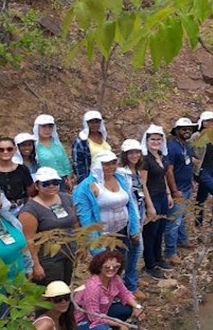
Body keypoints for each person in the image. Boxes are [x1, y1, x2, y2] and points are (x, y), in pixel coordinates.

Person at [73, 151, 141, 292]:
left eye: (113, 163)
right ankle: (105, 294)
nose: (111, 167)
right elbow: (86, 218)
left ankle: (124, 289)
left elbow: (130, 204)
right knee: (106, 266)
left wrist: (134, 227)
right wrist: (96, 245)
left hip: (123, 229)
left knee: (122, 261)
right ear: (98, 165)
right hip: (103, 235)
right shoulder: (86, 187)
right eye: (106, 164)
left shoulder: (121, 179)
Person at [19, 167, 77, 286]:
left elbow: (75, 222)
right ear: (37, 186)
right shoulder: (30, 210)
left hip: (69, 253)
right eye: (46, 184)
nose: (51, 186)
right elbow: (28, 240)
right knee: (53, 289)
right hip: (48, 258)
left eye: (55, 182)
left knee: (66, 287)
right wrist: (35, 265)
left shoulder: (66, 198)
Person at [74, 250, 144, 330]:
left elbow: (125, 294)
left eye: (116, 267)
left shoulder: (115, 279)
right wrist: (120, 323)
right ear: (99, 267)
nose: (111, 269)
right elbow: (94, 317)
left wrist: (137, 307)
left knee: (126, 309)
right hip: (84, 321)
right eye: (107, 267)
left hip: (103, 313)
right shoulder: (93, 287)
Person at [25, 280, 97, 330]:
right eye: (58, 299)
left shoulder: (60, 319)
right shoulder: (46, 324)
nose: (63, 302)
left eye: (66, 298)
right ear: (48, 301)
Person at [140, 125, 177, 280]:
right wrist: (149, 205)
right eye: (152, 139)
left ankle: (158, 258)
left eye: (158, 139)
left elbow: (163, 177)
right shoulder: (145, 159)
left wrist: (168, 194)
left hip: (162, 196)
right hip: (152, 197)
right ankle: (150, 264)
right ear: (147, 141)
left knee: (160, 230)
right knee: (150, 232)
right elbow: (143, 183)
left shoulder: (161, 156)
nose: (156, 142)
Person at [165, 118, 197, 264]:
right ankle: (170, 252)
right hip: (178, 190)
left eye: (189, 129)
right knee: (174, 222)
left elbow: (187, 166)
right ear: (177, 131)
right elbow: (169, 171)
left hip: (186, 187)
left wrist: (191, 182)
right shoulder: (172, 148)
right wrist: (174, 190)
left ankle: (182, 240)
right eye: (184, 129)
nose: (187, 131)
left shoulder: (186, 146)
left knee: (182, 217)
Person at [117, 139, 146, 299]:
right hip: (129, 215)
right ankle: (130, 285)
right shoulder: (121, 173)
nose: (134, 156)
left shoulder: (137, 171)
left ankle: (131, 280)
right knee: (134, 249)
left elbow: (141, 191)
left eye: (137, 152)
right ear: (125, 155)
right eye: (131, 153)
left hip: (139, 210)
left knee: (134, 250)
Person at [0, 136, 34, 214]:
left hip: (22, 210)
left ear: (15, 150)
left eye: (9, 149)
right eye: (1, 150)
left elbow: (30, 191)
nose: (5, 152)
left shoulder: (22, 169)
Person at [192, 112, 213, 228]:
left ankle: (198, 224)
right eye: (208, 121)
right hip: (201, 170)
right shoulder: (196, 136)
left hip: (210, 168)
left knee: (201, 197)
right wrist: (193, 160)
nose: (211, 123)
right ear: (202, 122)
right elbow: (186, 151)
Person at [33, 115, 73, 192]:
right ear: (37, 127)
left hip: (60, 180)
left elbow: (65, 161)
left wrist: (69, 178)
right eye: (44, 126)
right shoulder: (34, 145)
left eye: (50, 126)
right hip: (44, 182)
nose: (47, 129)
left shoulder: (57, 143)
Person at [72, 111, 112, 184]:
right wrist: (85, 181)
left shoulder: (104, 136)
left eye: (97, 122)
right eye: (91, 122)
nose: (94, 124)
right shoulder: (81, 141)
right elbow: (77, 163)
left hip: (107, 176)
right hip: (91, 177)